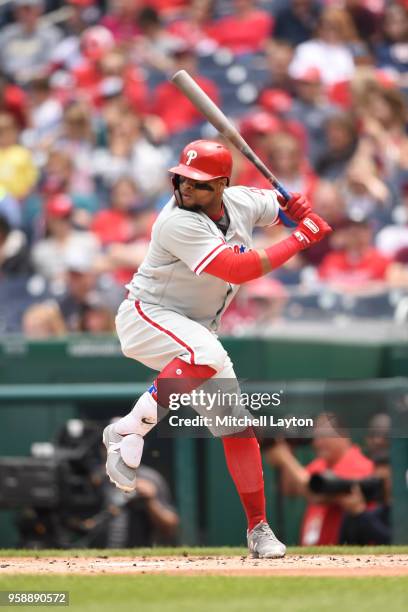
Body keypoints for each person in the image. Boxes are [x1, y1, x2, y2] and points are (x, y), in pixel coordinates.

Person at [102, 139, 332, 558]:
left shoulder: (241, 200)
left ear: (223, 185)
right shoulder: (176, 222)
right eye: (182, 179)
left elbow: (281, 209)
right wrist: (301, 238)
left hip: (195, 330)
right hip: (146, 315)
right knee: (206, 355)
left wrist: (296, 210)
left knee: (237, 425)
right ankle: (128, 428)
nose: (187, 188)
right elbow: (237, 267)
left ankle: (258, 529)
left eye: (200, 183)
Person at [264, 412, 374, 545]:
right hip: (315, 554)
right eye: (315, 437)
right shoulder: (320, 464)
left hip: (345, 554)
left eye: (323, 436)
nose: (318, 442)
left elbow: (318, 493)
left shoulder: (357, 463)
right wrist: (287, 448)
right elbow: (291, 489)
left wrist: (285, 458)